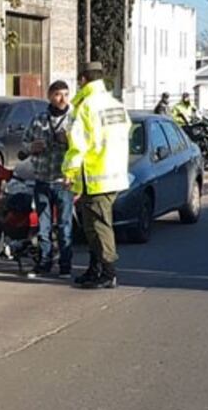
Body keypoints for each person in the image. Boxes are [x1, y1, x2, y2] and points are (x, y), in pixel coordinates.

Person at [62, 62, 131, 290]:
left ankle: (108, 273)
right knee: (92, 226)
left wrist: (69, 172)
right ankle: (95, 269)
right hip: (113, 174)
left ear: (82, 80)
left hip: (95, 175)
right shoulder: (115, 104)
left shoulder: (86, 106)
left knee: (99, 227)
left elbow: (78, 144)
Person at [22, 80, 74, 278]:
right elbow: (24, 143)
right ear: (50, 96)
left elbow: (84, 147)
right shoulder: (38, 119)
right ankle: (44, 263)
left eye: (66, 95)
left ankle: (65, 266)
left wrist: (68, 141)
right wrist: (31, 148)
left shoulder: (74, 119)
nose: (62, 99)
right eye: (58, 95)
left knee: (64, 225)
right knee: (43, 225)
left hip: (64, 181)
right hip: (42, 178)